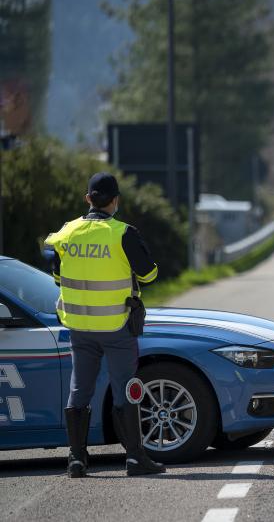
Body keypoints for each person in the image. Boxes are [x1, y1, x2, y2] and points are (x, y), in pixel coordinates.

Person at [44, 172, 165, 478]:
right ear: (116, 200)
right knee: (126, 388)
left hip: (79, 326)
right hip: (116, 326)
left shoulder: (67, 232)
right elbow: (149, 275)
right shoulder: (123, 233)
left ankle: (76, 459)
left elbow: (58, 278)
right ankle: (136, 458)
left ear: (88, 199)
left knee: (79, 388)